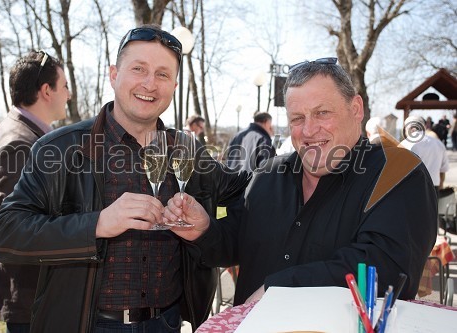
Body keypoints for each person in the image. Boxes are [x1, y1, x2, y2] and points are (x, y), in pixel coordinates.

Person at [0, 25, 249, 333]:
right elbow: (5, 234)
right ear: (114, 75)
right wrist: (97, 224)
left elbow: (250, 193)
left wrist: (207, 230)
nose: (150, 84)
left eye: (163, 74)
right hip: (88, 324)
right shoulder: (60, 148)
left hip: (166, 323)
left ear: (174, 86)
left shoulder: (187, 150)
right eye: (139, 69)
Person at [164, 57, 437, 306]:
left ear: (356, 109)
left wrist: (279, 288)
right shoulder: (268, 175)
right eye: (297, 118)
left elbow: (384, 270)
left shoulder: (399, 172)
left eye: (322, 113)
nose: (308, 130)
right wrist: (202, 230)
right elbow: (234, 243)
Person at [0, 50, 70, 333]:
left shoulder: (31, 136)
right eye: (65, 86)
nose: (68, 95)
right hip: (31, 297)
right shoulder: (19, 143)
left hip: (39, 296)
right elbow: (21, 229)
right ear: (47, 91)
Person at [401, 115, 449, 196]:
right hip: (434, 188)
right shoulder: (438, 143)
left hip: (410, 188)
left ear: (407, 129)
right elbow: (443, 171)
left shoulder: (404, 145)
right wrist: (440, 188)